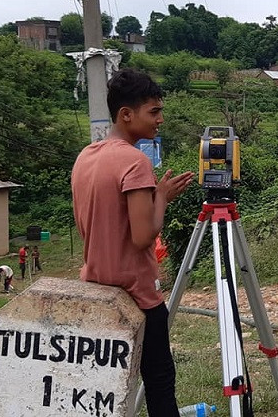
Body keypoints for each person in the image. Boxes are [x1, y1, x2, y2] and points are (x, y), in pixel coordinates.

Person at [71, 68, 194, 417]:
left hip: (96, 286)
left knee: (100, 386)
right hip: (137, 294)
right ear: (126, 115)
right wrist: (162, 198)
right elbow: (142, 237)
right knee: (159, 381)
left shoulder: (85, 157)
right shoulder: (135, 161)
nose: (160, 120)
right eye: (153, 112)